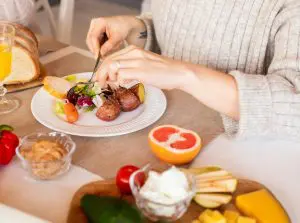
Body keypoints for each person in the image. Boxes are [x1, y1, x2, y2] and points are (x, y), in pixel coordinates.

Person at [86, 0, 300, 140]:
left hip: (242, 149)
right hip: (163, 126)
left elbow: (293, 108)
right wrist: (137, 28)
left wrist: (185, 75)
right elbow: (179, 26)